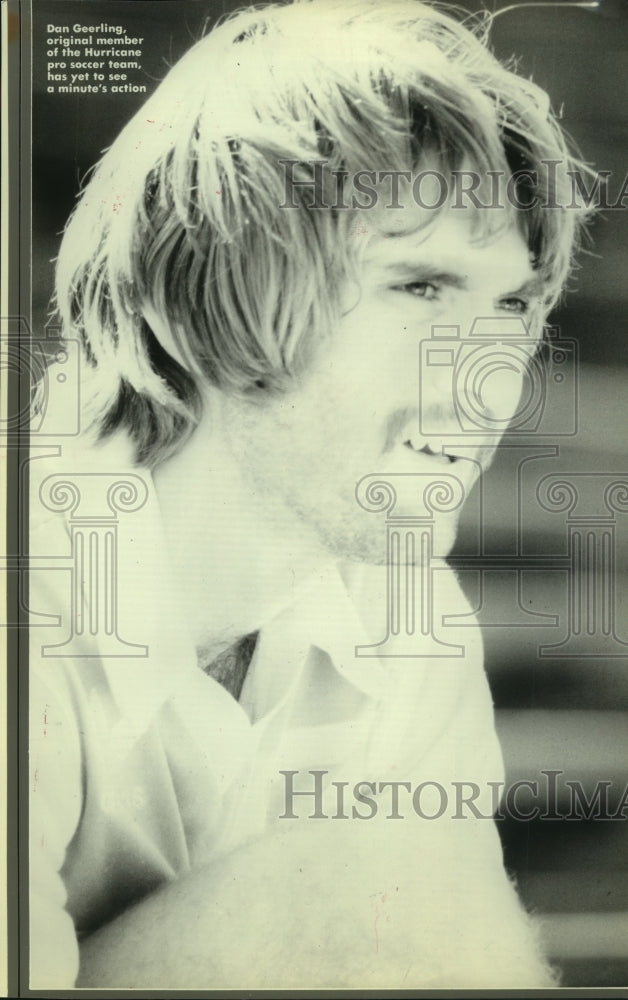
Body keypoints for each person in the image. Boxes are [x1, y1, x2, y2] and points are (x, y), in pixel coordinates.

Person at [29, 0, 591, 988]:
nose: (490, 382)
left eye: (508, 305)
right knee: (380, 881)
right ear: (215, 282)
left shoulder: (408, 628)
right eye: (419, 287)